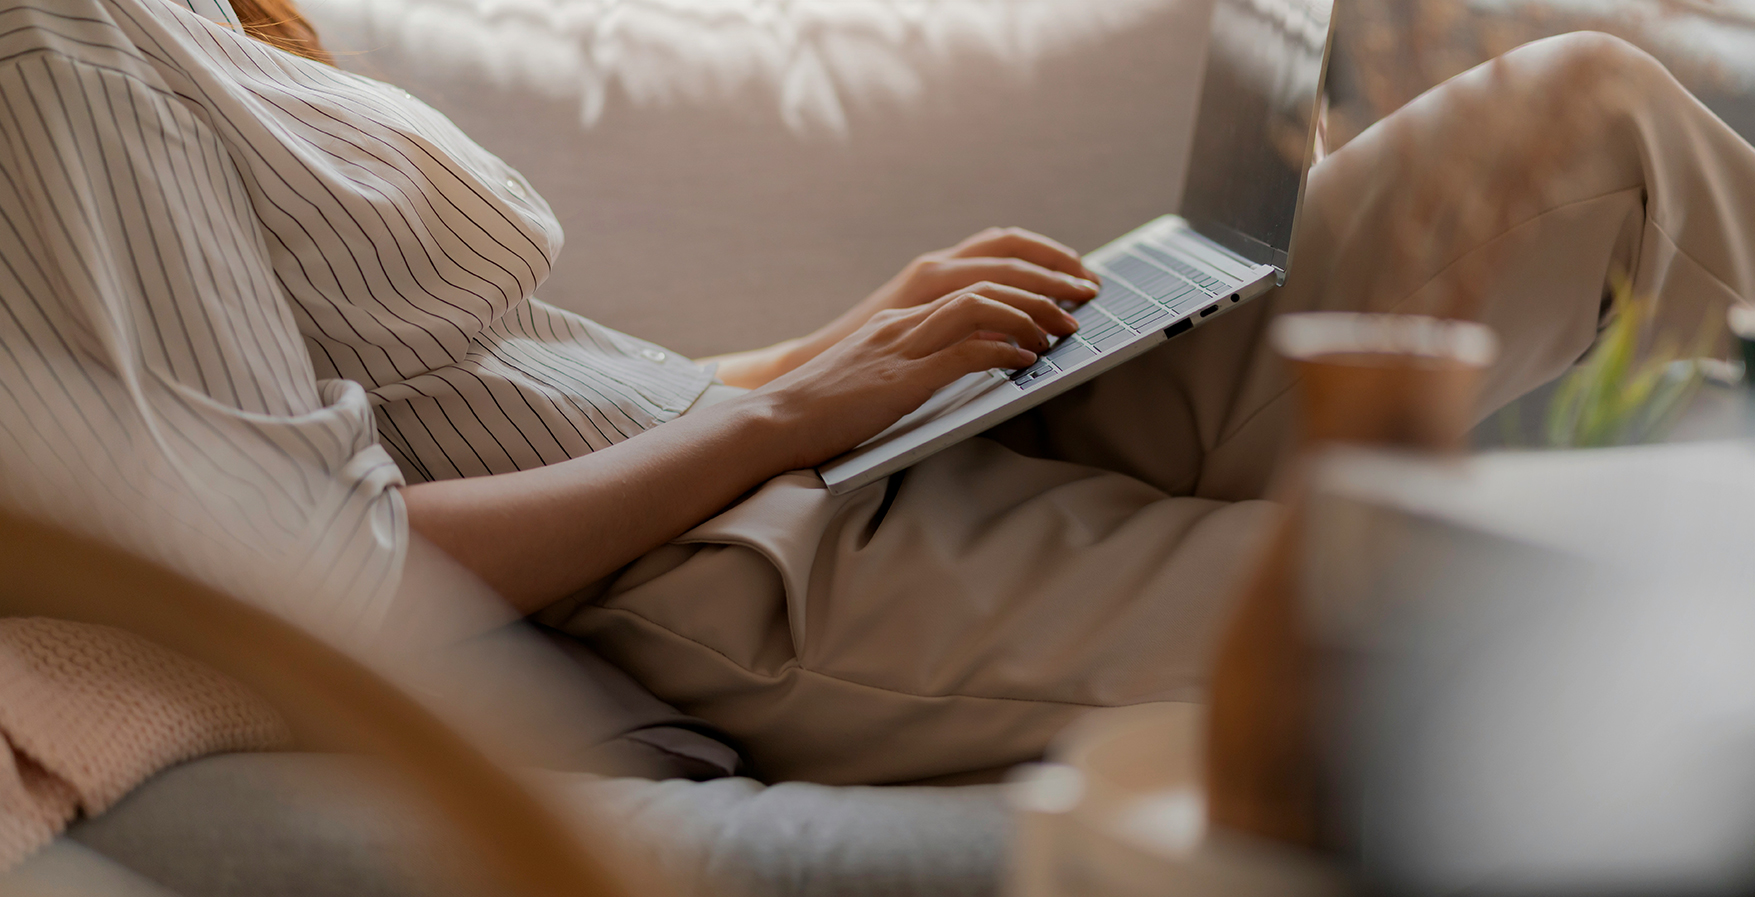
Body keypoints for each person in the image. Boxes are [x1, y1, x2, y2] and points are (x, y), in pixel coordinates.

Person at [1, 0, 1750, 786]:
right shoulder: (54, 54)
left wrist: (839, 348)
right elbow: (321, 575)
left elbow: (493, 385)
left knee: (1584, 116)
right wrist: (783, 422)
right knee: (1525, 615)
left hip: (800, 461)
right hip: (730, 577)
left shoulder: (165, 17)